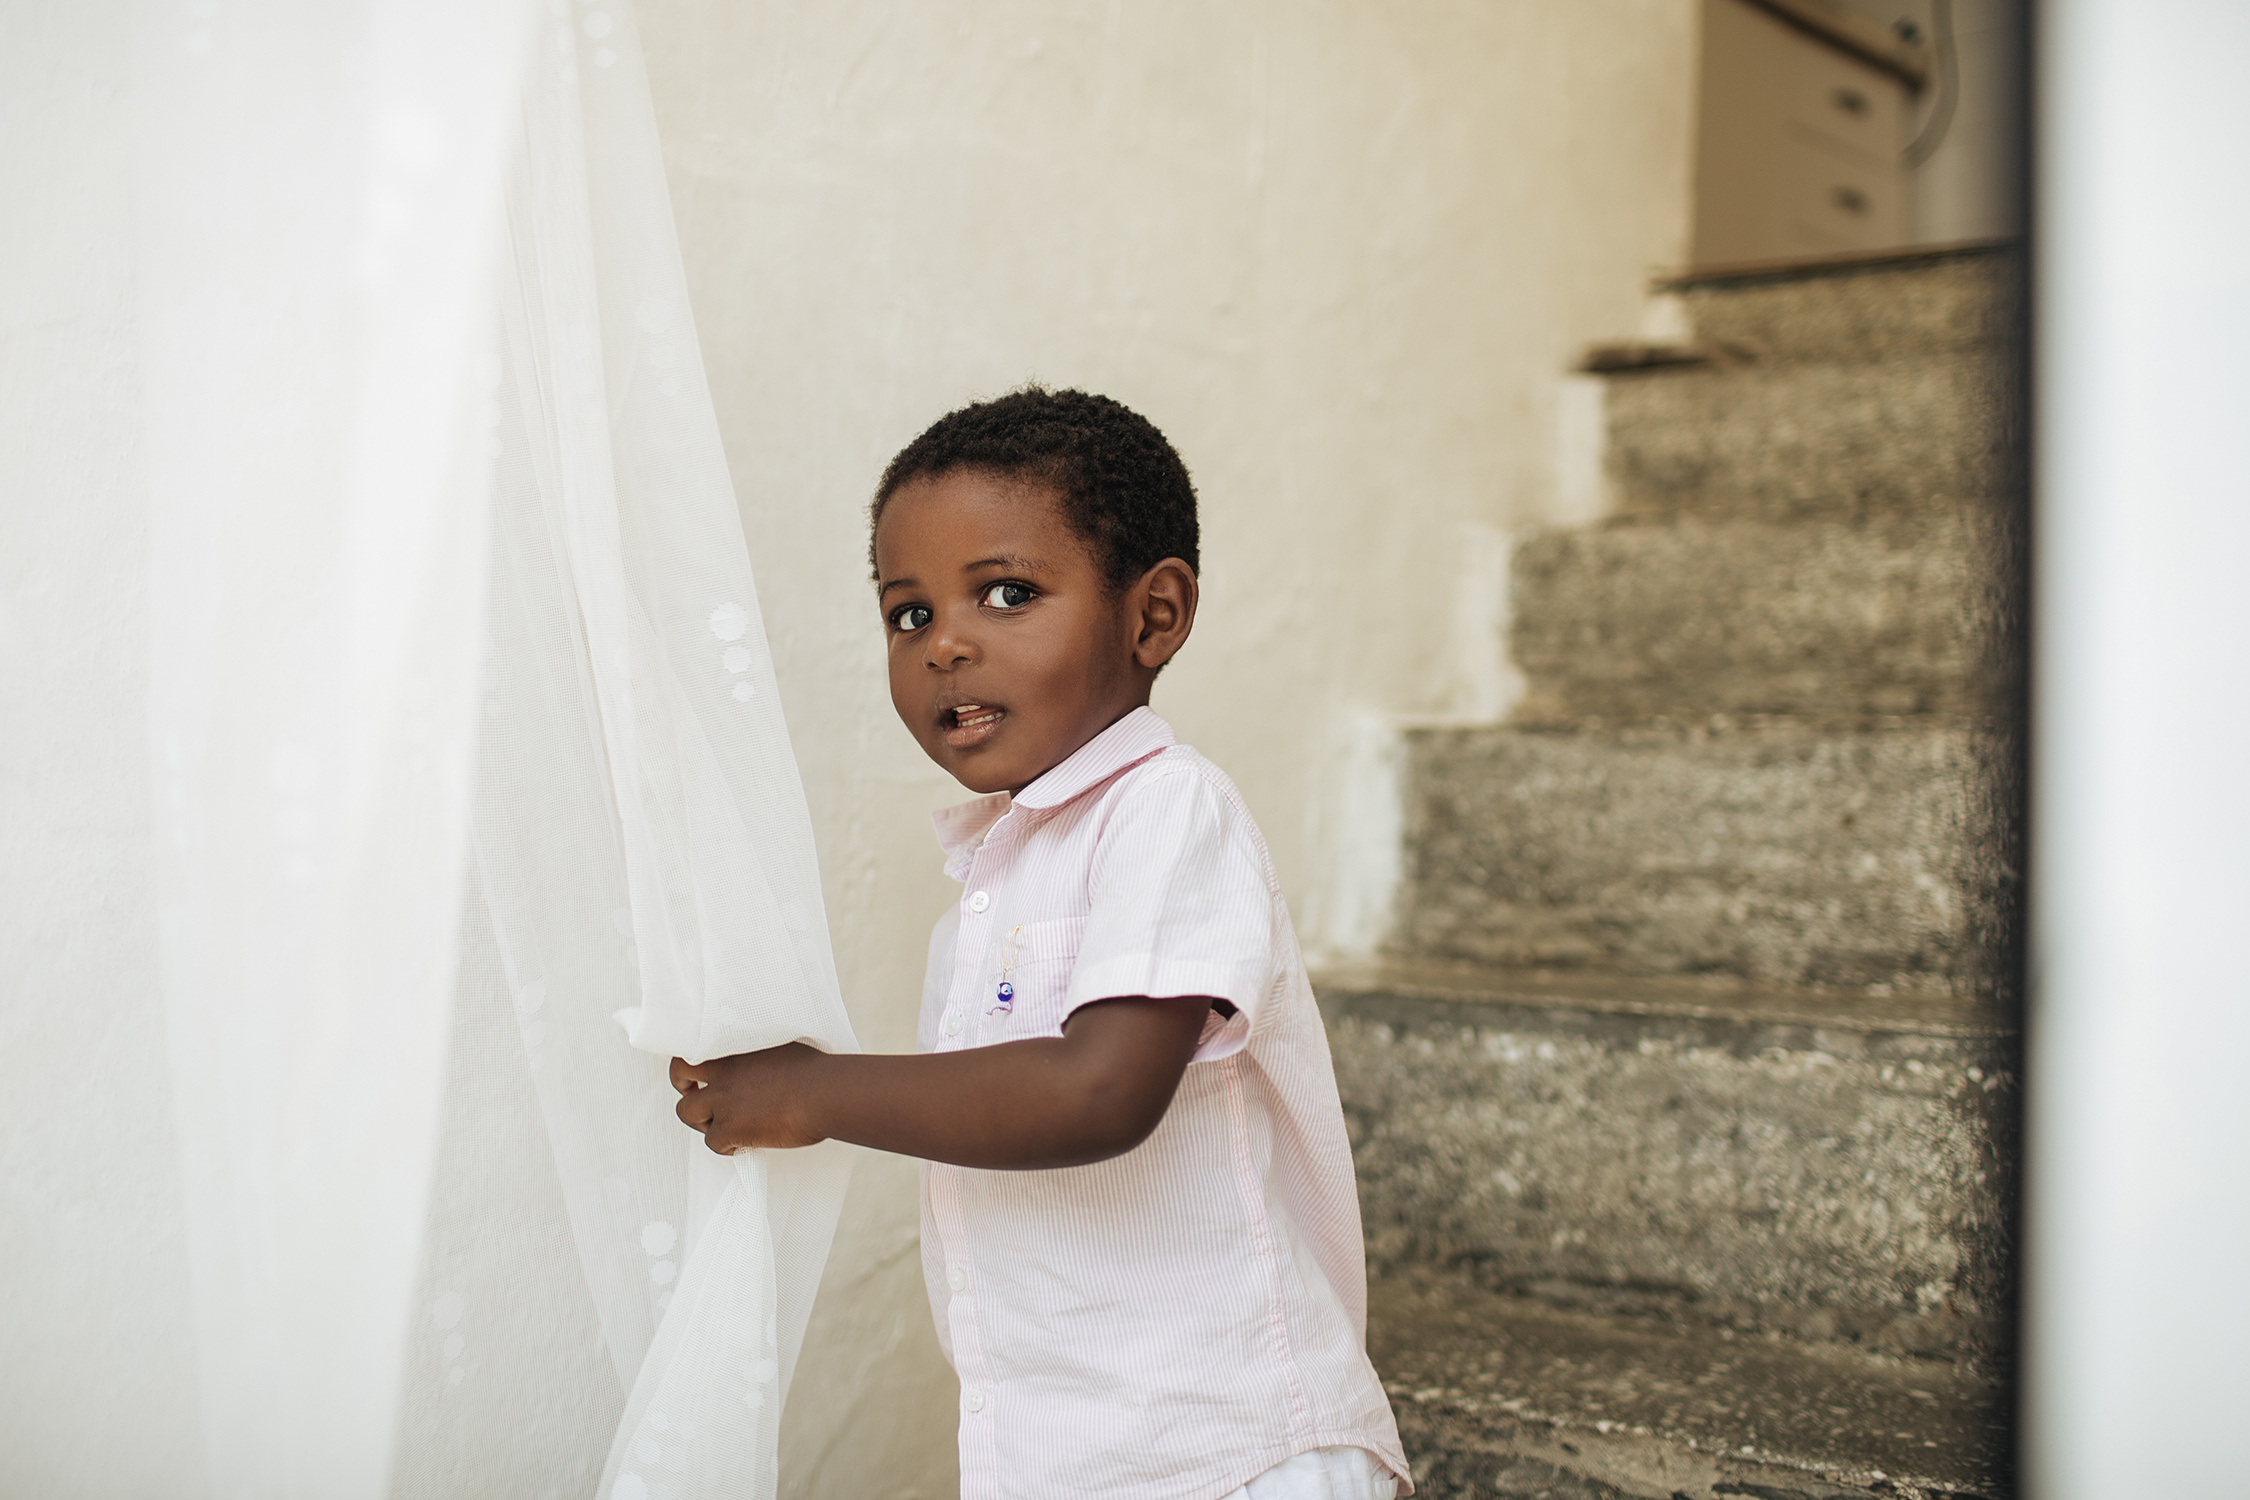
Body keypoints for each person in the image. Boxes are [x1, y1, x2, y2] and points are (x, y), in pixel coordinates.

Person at [670, 387, 1411, 1500]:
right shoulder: (995, 877)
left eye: (1006, 593)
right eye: (907, 613)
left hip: (1231, 1450)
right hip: (1075, 1455)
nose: (945, 645)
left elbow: (1096, 1092)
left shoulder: (1168, 812)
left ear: (1152, 617)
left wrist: (816, 1096)